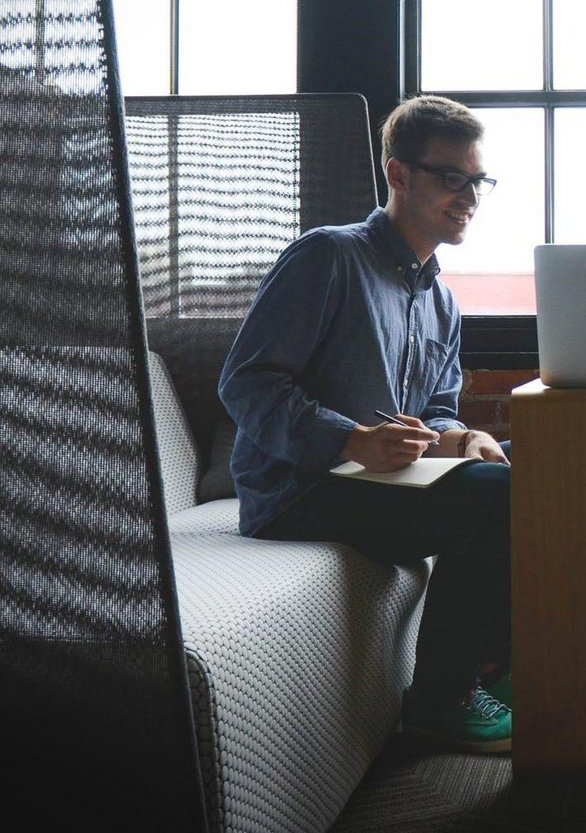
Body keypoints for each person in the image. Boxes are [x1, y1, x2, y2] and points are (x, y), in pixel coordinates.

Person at [218, 95, 514, 753]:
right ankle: (442, 701)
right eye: (451, 178)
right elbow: (245, 381)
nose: (469, 197)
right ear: (399, 174)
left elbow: (436, 407)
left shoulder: (441, 301)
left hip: (384, 482)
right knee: (502, 497)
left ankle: (500, 664)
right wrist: (351, 440)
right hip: (301, 490)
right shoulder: (327, 257)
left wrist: (462, 437)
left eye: (478, 181)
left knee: (530, 465)